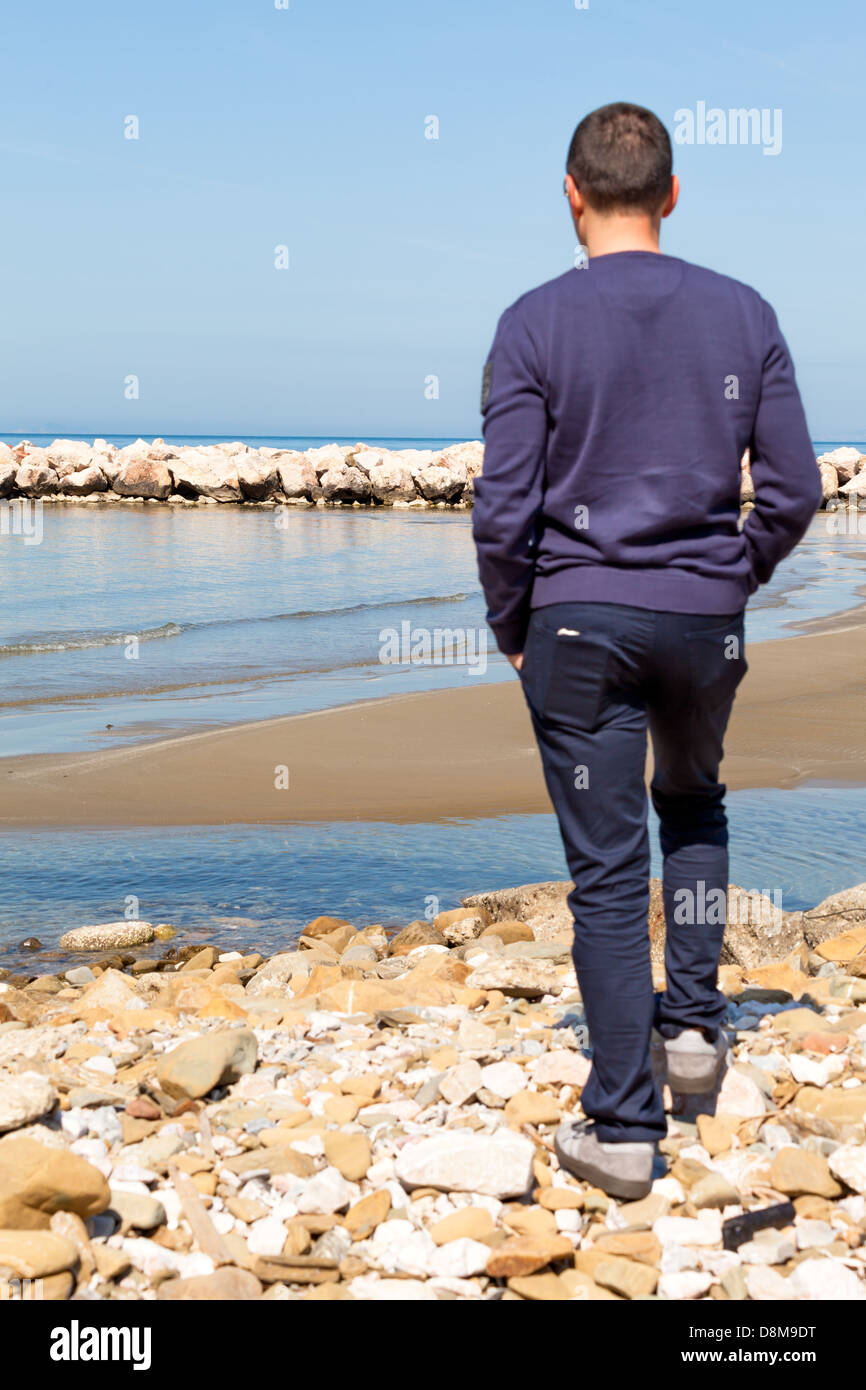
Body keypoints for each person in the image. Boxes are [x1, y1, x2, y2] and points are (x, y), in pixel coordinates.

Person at [472, 101, 822, 1199]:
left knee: (607, 872)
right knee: (696, 806)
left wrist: (511, 620)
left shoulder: (530, 322)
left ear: (569, 195)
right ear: (670, 194)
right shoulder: (741, 312)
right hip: (699, 620)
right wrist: (730, 573)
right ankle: (692, 1035)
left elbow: (502, 509)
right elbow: (798, 488)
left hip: (577, 621)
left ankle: (622, 1126)